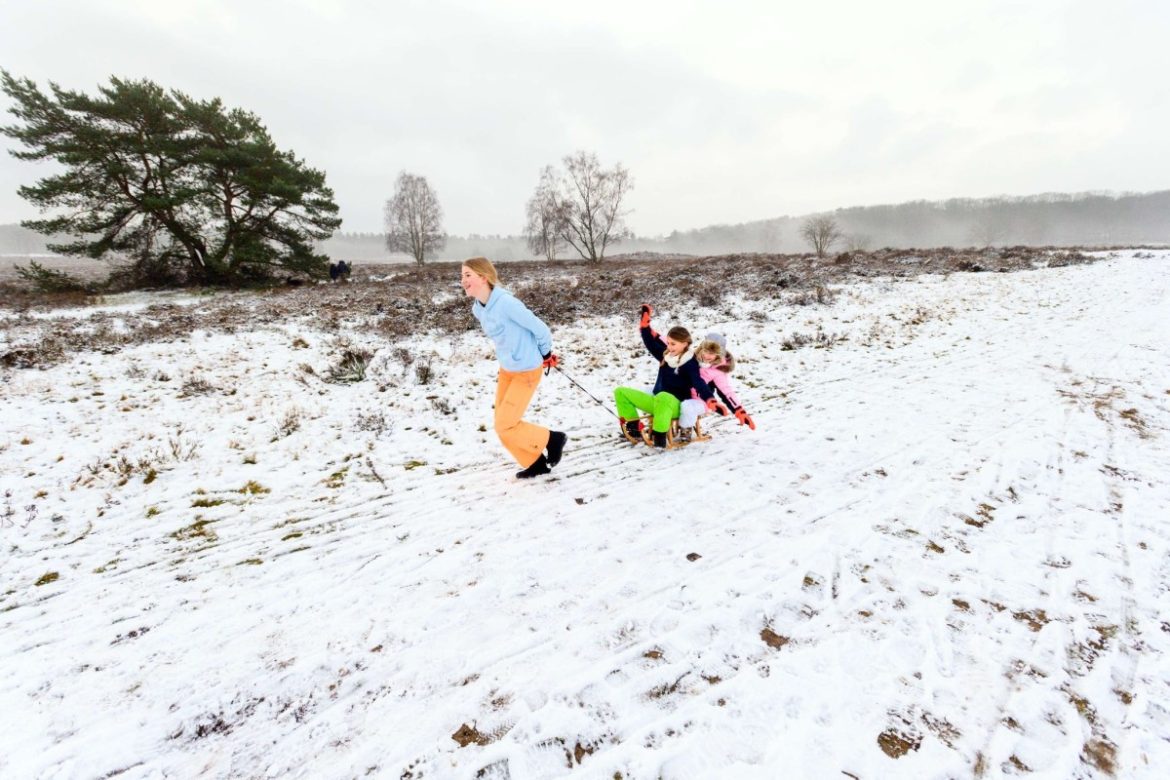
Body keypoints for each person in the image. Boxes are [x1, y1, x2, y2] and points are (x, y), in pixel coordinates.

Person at [461, 257, 567, 478]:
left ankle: (552, 439)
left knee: (505, 424)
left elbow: (540, 329)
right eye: (462, 276)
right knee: (502, 425)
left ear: (484, 277)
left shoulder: (507, 304)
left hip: (526, 370)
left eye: (468, 275)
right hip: (507, 370)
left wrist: (545, 353)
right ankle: (535, 462)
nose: (463, 280)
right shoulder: (478, 309)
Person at [613, 304, 725, 448]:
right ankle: (633, 430)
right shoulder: (666, 356)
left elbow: (698, 383)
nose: (669, 347)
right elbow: (650, 343)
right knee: (621, 392)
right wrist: (644, 325)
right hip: (657, 402)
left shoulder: (690, 363)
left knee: (664, 396)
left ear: (685, 344)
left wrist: (710, 399)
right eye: (669, 343)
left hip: (675, 406)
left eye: (673, 344)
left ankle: (659, 436)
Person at [678, 334, 757, 433]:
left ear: (718, 354)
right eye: (705, 351)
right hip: (680, 393)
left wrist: (739, 410)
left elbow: (727, 392)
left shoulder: (718, 371)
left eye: (712, 353)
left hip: (700, 400)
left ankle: (686, 429)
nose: (706, 356)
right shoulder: (691, 358)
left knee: (687, 406)